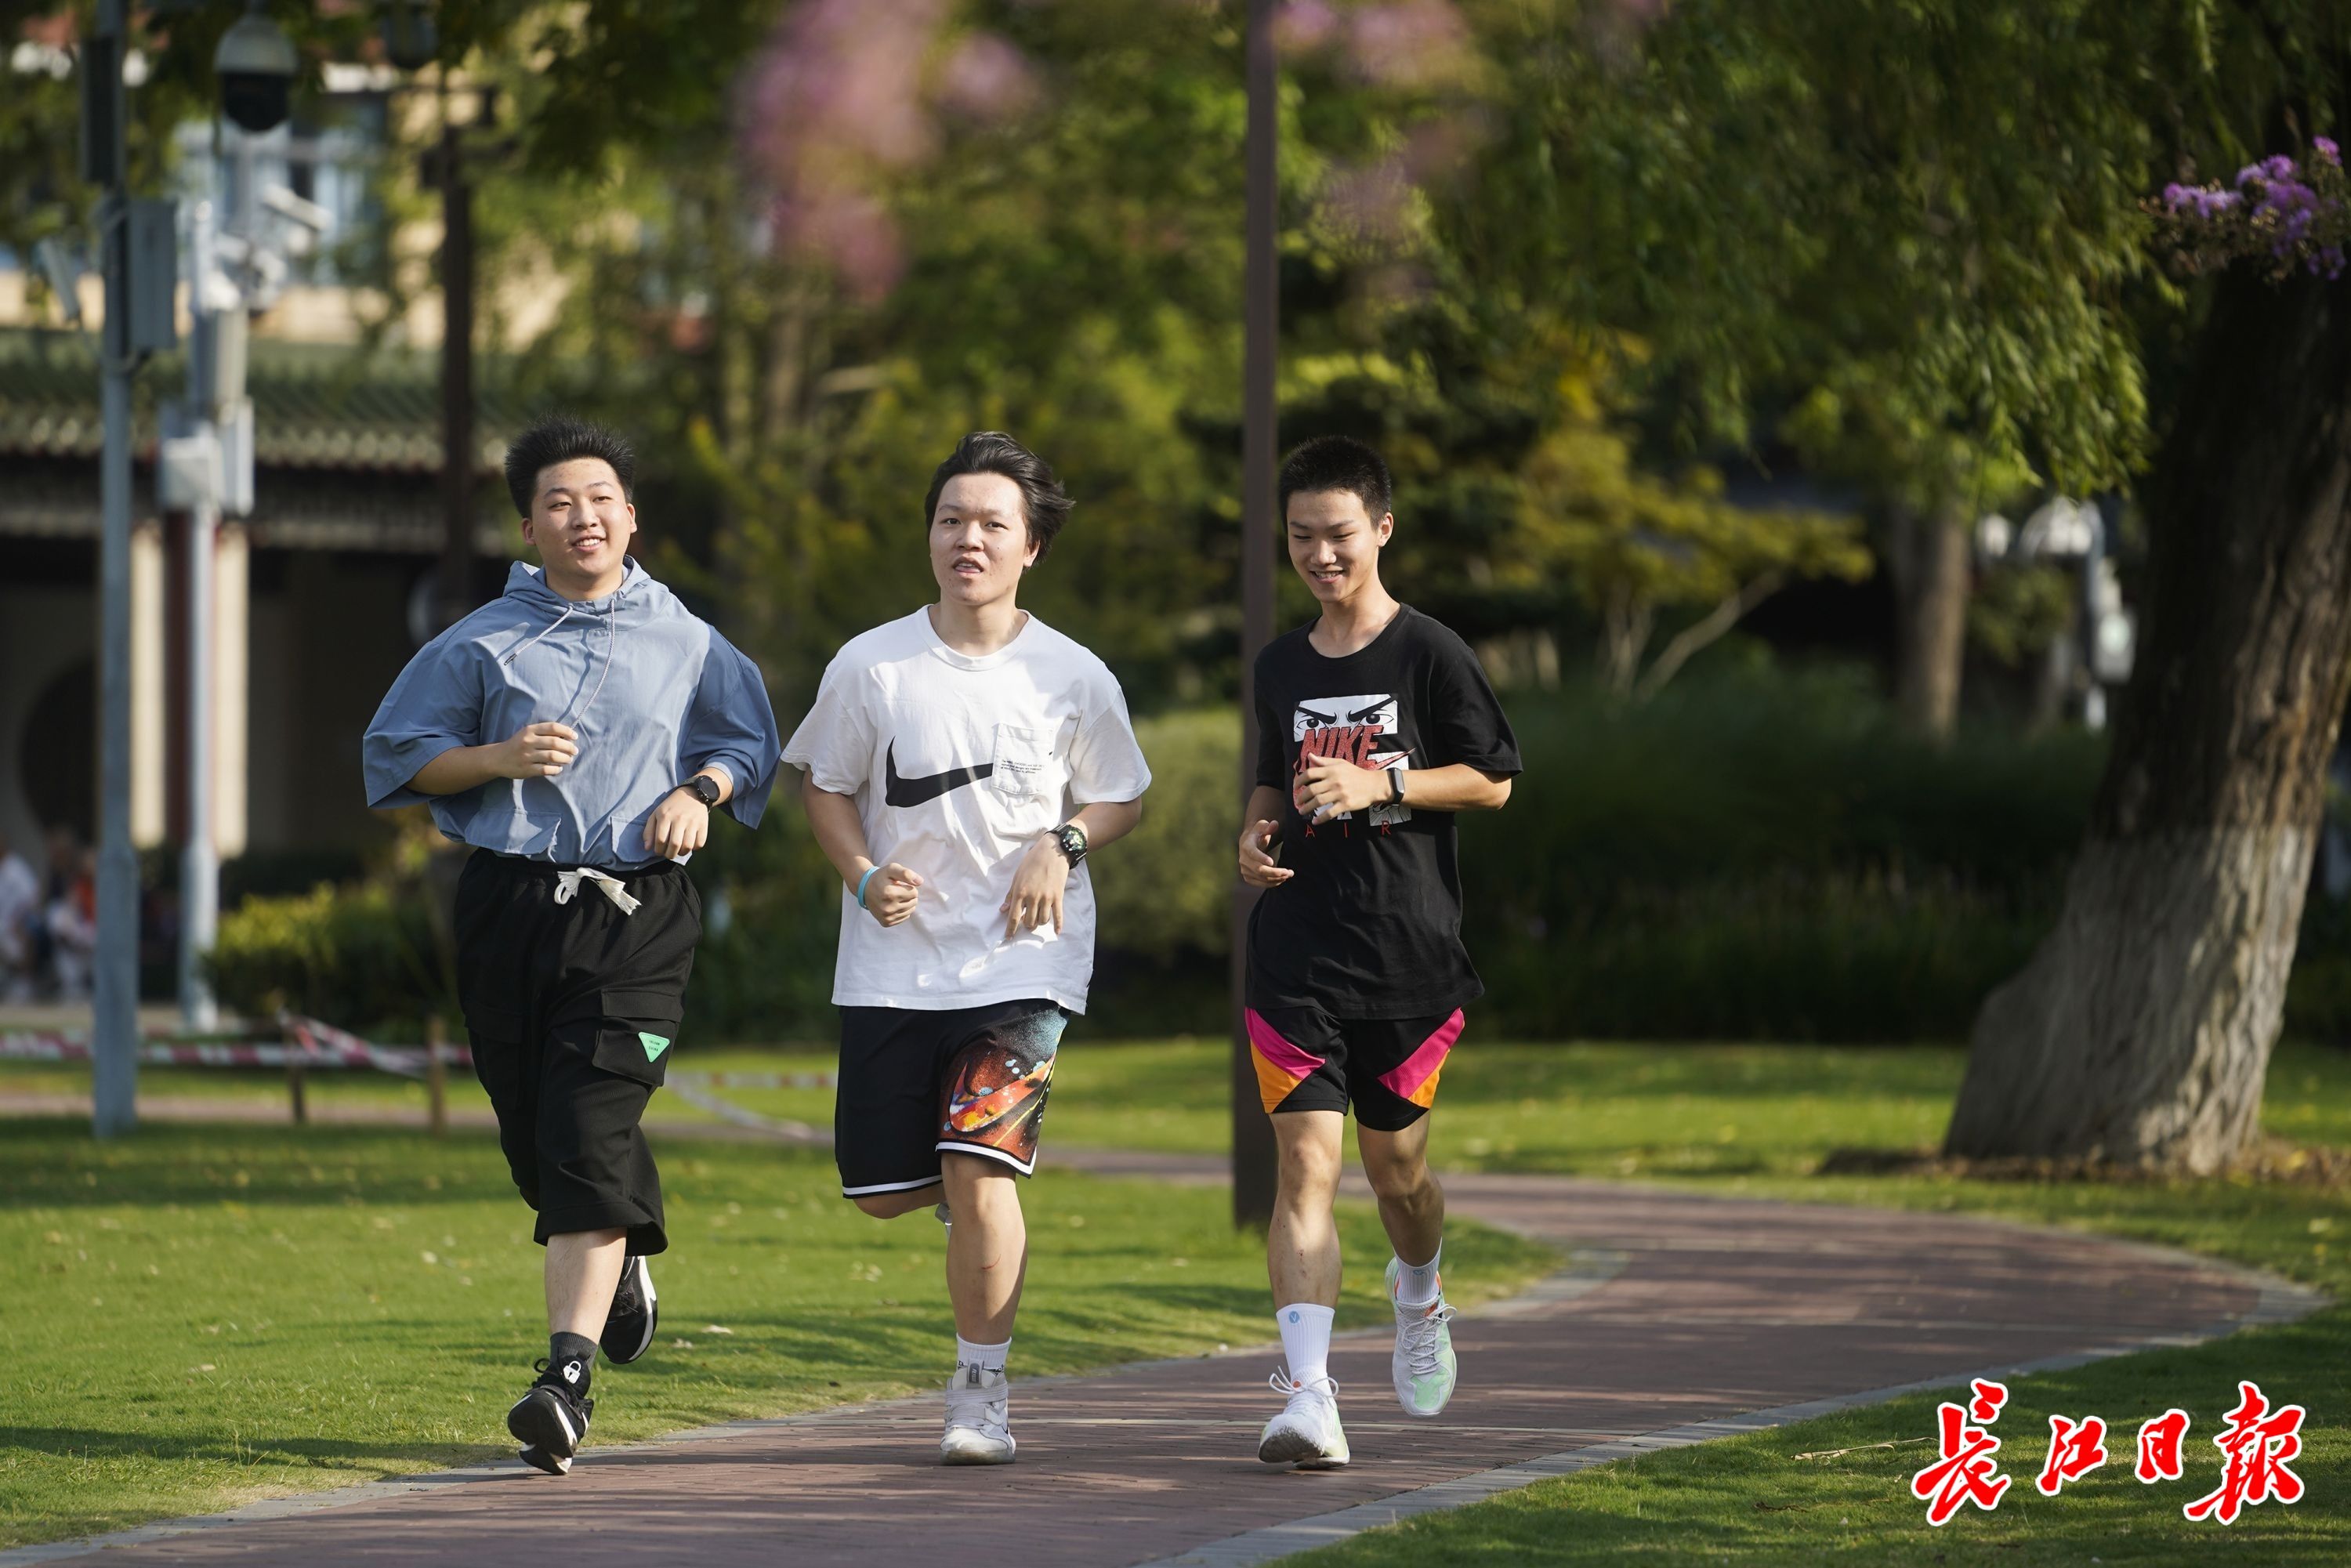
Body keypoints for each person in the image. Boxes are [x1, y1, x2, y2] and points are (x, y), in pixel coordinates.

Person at [362, 415, 781, 1477]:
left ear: (632, 518)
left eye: (602, 498)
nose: (583, 516)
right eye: (560, 501)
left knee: (590, 1124)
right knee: (539, 1139)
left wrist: (701, 790)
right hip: (506, 906)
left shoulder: (685, 637)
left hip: (636, 912)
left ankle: (565, 1381)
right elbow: (399, 758)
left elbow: (747, 740)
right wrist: (496, 755)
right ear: (529, 524)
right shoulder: (482, 640)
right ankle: (623, 1256)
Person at [784, 431, 1151, 1465]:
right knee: (888, 1191)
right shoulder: (873, 665)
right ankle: (969, 1214)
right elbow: (822, 783)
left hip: (1022, 962)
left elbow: (1121, 794)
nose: (969, 540)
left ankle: (980, 1392)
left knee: (981, 1173)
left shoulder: (1072, 675)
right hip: (894, 966)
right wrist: (861, 874)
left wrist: (1064, 842)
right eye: (952, 520)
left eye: (993, 523)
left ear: (1031, 544)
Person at [1237, 435, 1520, 1469]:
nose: (1320, 554)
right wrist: (1254, 832)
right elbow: (1272, 777)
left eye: (1339, 534)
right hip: (1296, 960)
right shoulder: (1280, 665)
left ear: (1383, 530)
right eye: (1302, 536)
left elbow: (1492, 781)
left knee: (1396, 1172)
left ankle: (1420, 1288)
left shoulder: (1430, 653)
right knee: (1305, 1166)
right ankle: (1309, 1399)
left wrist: (1382, 785)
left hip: (1409, 958)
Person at [0, 831, 38, 1002]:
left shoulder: (16, 868)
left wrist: (20, 923)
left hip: (16, 925)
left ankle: (24, 983)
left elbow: (33, 897)